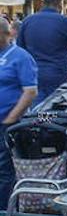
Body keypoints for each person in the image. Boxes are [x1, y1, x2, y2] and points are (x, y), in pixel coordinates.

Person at [16, 0, 67, 102]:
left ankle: (40, 119)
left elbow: (20, 48)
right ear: (59, 4)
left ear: (43, 3)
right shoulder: (64, 21)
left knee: (37, 108)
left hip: (33, 72)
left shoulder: (27, 21)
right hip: (57, 73)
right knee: (54, 106)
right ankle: (46, 119)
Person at [0, 17, 36, 204]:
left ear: (7, 34)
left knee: (4, 168)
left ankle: (3, 212)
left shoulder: (20, 56)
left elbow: (30, 91)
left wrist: (11, 119)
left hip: (6, 122)